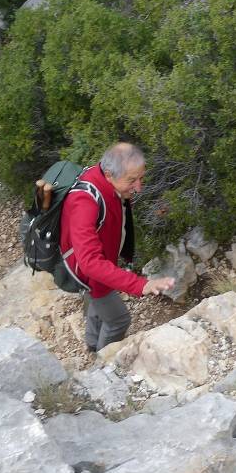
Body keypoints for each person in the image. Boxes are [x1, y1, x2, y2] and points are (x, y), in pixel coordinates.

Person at [60, 142, 174, 352]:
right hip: (91, 273)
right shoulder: (84, 203)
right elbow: (91, 263)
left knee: (96, 306)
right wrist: (141, 285)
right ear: (110, 174)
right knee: (118, 320)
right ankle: (103, 363)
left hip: (100, 265)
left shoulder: (104, 179)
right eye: (132, 180)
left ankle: (92, 345)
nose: (139, 187)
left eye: (141, 178)